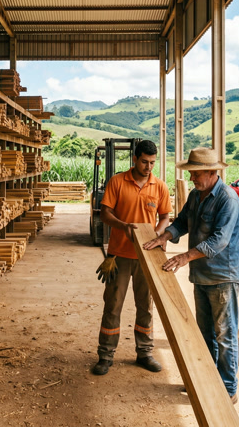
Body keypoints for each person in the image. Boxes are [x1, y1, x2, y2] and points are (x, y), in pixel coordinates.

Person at [142, 147, 239, 404]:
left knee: (225, 335)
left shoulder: (228, 199)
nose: (192, 179)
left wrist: (184, 257)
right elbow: (181, 223)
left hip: (222, 277)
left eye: (196, 174)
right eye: (191, 174)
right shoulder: (197, 196)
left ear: (211, 172)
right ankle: (206, 380)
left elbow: (219, 241)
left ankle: (228, 390)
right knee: (205, 333)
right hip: (201, 276)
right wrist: (164, 236)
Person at [92, 139, 172, 376]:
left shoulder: (160, 187)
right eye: (145, 162)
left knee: (145, 307)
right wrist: (123, 226)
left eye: (152, 163)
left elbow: (166, 217)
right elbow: (105, 214)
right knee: (113, 306)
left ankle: (145, 352)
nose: (149, 167)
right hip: (119, 256)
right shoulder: (117, 182)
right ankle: (105, 356)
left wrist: (158, 235)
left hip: (148, 257)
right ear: (135, 159)